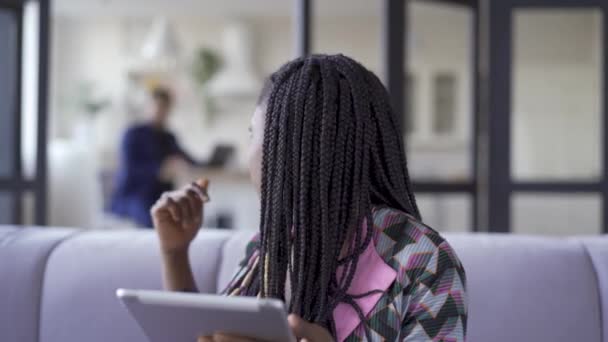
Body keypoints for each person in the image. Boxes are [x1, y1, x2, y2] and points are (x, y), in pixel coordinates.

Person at [151, 55, 467, 341]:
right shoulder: (269, 246)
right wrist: (175, 253)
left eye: (251, 134)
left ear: (290, 150)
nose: (248, 154)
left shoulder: (424, 262)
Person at [109, 87, 200, 228]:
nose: (160, 111)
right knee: (154, 217)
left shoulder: (169, 137)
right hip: (133, 196)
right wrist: (159, 171)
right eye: (157, 106)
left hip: (160, 196)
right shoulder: (132, 134)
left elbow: (187, 158)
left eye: (165, 107)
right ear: (147, 106)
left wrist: (213, 162)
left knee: (184, 213)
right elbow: (129, 170)